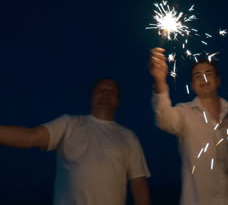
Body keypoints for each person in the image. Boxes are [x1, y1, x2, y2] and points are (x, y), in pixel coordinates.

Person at [0, 78, 151, 205]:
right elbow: (31, 136)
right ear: (91, 97)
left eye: (111, 91)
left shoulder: (129, 137)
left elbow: (138, 184)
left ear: (118, 100)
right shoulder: (69, 124)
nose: (106, 93)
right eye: (101, 90)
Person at [150, 47, 228, 205]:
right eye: (197, 75)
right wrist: (160, 80)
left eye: (208, 73)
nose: (203, 78)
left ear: (218, 80)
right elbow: (163, 118)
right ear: (192, 85)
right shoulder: (184, 113)